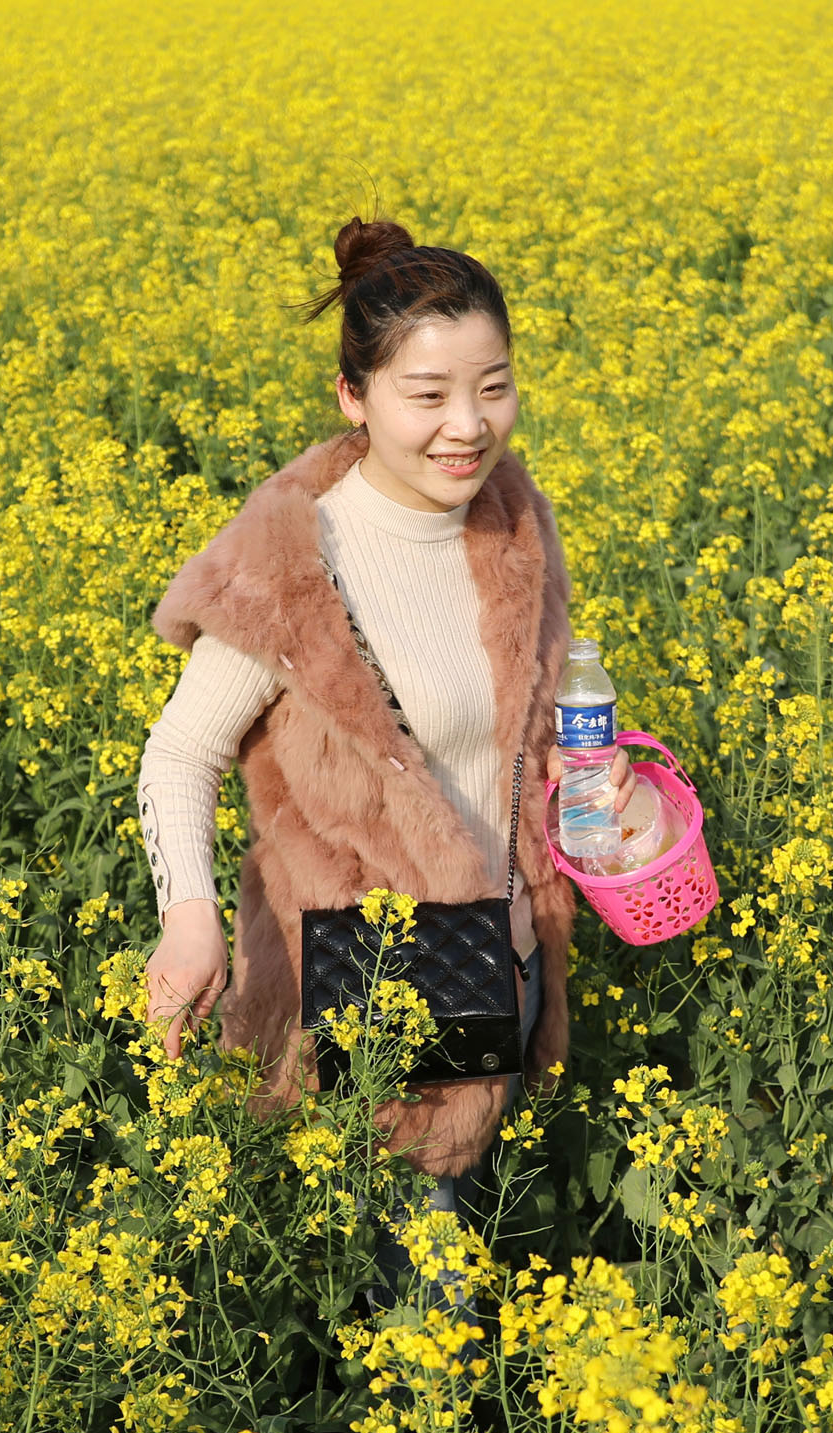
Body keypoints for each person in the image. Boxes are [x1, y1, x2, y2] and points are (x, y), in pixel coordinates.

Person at [137, 217, 615, 1291]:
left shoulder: (513, 525)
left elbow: (525, 734)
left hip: (509, 970)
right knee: (424, 1307)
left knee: (489, 1274)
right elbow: (180, 754)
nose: (468, 425)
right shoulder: (294, 560)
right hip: (366, 994)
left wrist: (599, 782)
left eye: (493, 387)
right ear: (354, 397)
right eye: (428, 393)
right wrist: (191, 922)